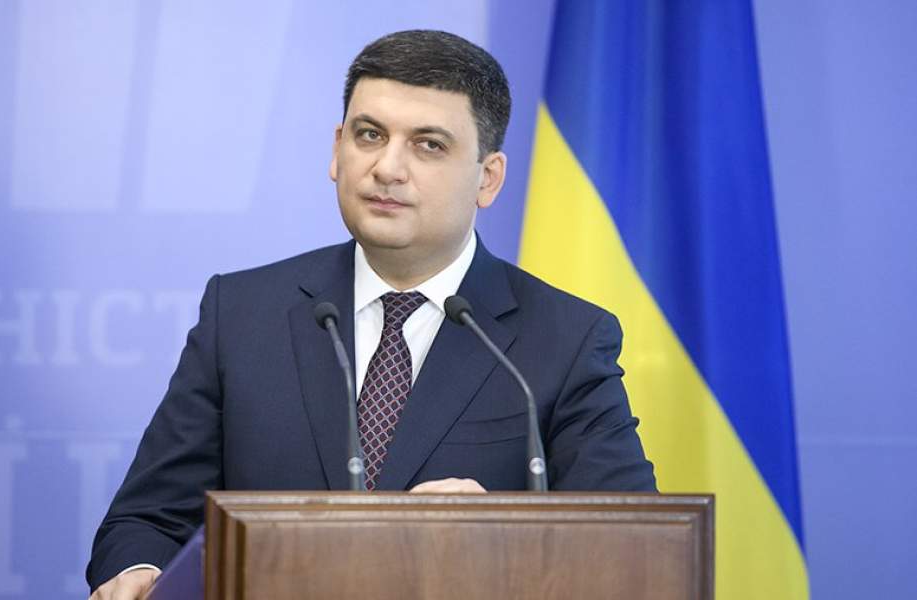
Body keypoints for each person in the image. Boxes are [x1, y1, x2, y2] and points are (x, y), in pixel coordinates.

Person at [86, 29, 656, 600]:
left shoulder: (566, 339)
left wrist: (505, 539)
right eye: (370, 135)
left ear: (488, 179)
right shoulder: (240, 313)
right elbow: (148, 520)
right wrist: (138, 571)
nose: (388, 167)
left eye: (428, 145)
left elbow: (635, 555)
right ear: (338, 150)